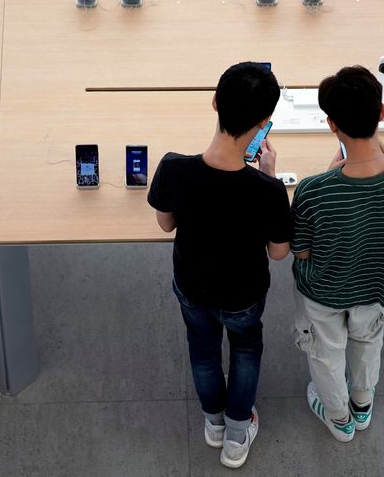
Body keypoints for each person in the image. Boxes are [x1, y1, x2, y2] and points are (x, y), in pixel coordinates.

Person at [148, 62, 292, 468]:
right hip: (243, 294)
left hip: (192, 287)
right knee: (246, 349)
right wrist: (268, 176)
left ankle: (213, 424)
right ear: (264, 123)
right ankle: (236, 433)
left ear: (214, 103)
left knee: (203, 350)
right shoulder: (266, 191)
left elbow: (165, 224)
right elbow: (279, 252)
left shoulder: (174, 168)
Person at [291, 65, 384, 442]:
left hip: (324, 293)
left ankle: (339, 418)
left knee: (326, 355)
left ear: (331, 125)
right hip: (378, 289)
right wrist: (383, 154)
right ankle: (362, 403)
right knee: (368, 343)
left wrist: (329, 177)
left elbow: (302, 251)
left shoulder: (314, 191)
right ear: (382, 114)